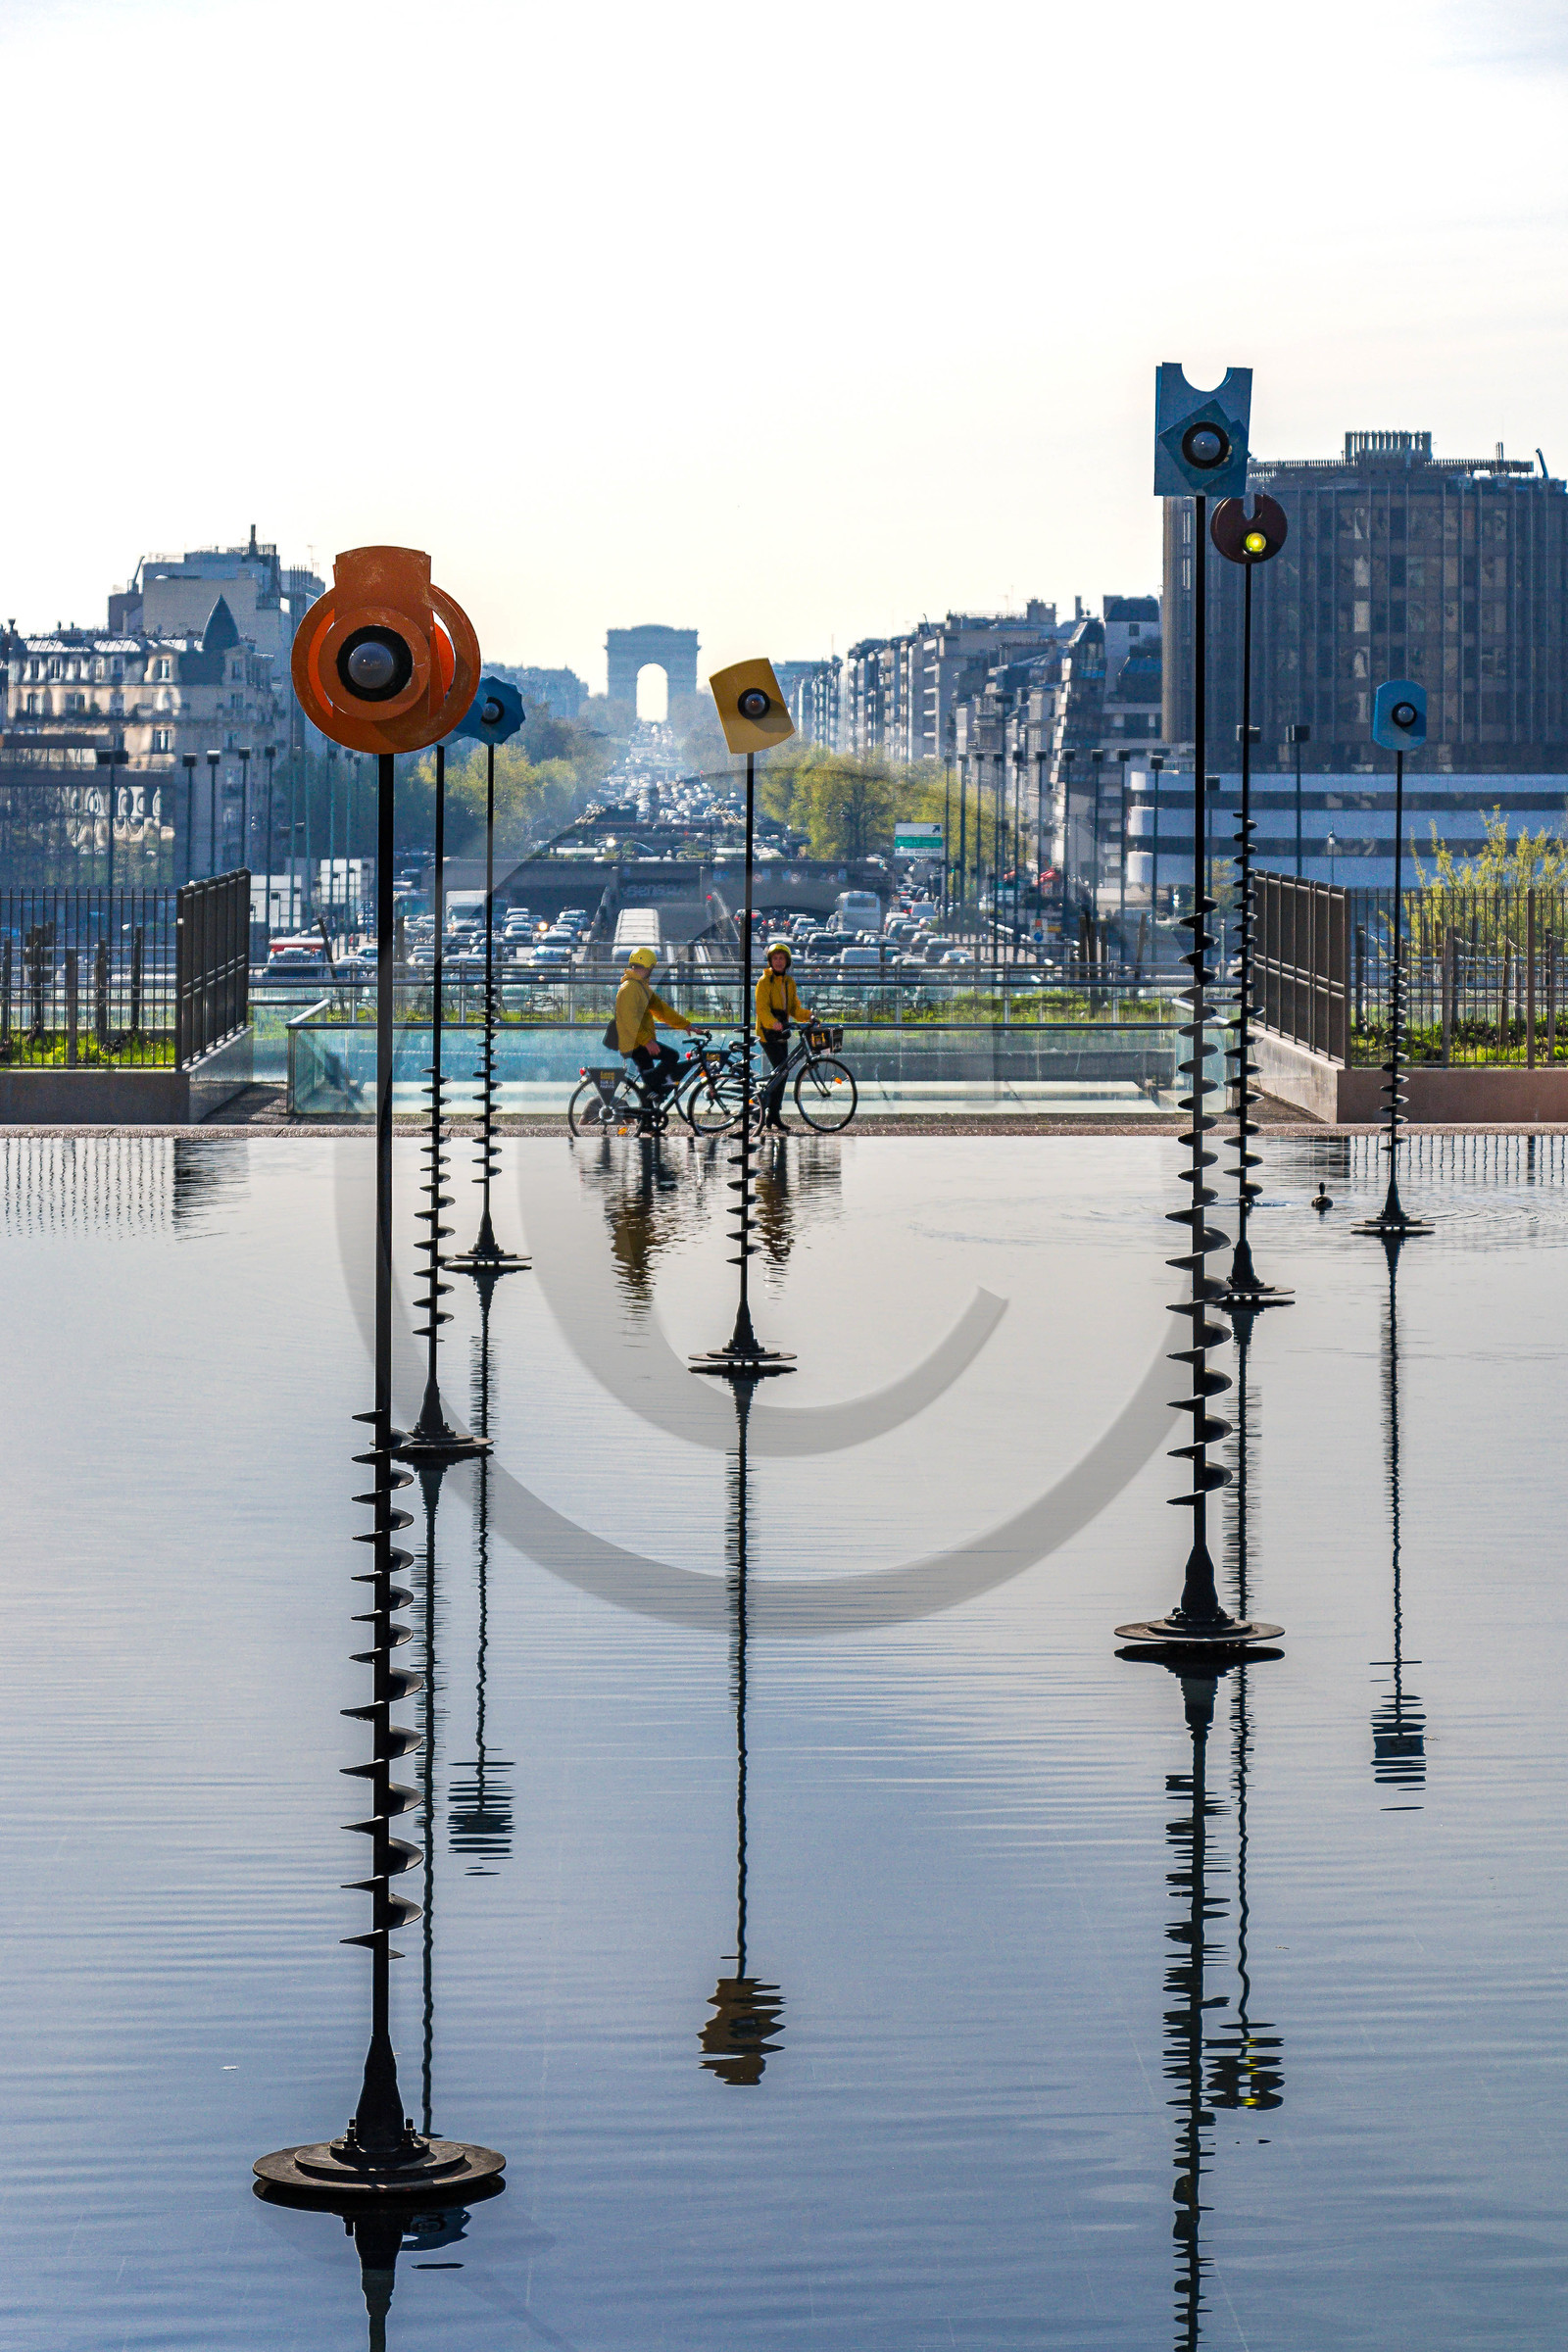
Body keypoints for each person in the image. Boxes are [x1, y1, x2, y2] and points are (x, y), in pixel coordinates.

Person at [613, 945, 693, 1105]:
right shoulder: (630, 988)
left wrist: (685, 1025)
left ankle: (649, 1120)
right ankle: (650, 1087)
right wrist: (647, 1041)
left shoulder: (641, 987)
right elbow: (628, 1020)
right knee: (672, 1056)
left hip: (639, 1041)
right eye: (653, 967)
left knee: (650, 1086)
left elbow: (661, 1009)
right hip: (635, 1043)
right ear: (649, 966)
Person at [755, 938, 813, 1132]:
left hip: (782, 1031)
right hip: (767, 1033)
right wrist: (774, 1023)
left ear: (787, 962)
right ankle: (764, 1109)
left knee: (781, 1073)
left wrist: (809, 1016)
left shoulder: (789, 982)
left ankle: (773, 1115)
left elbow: (794, 1008)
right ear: (770, 961)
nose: (779, 961)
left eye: (782, 958)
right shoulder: (764, 982)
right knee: (781, 1072)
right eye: (775, 958)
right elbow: (762, 1009)